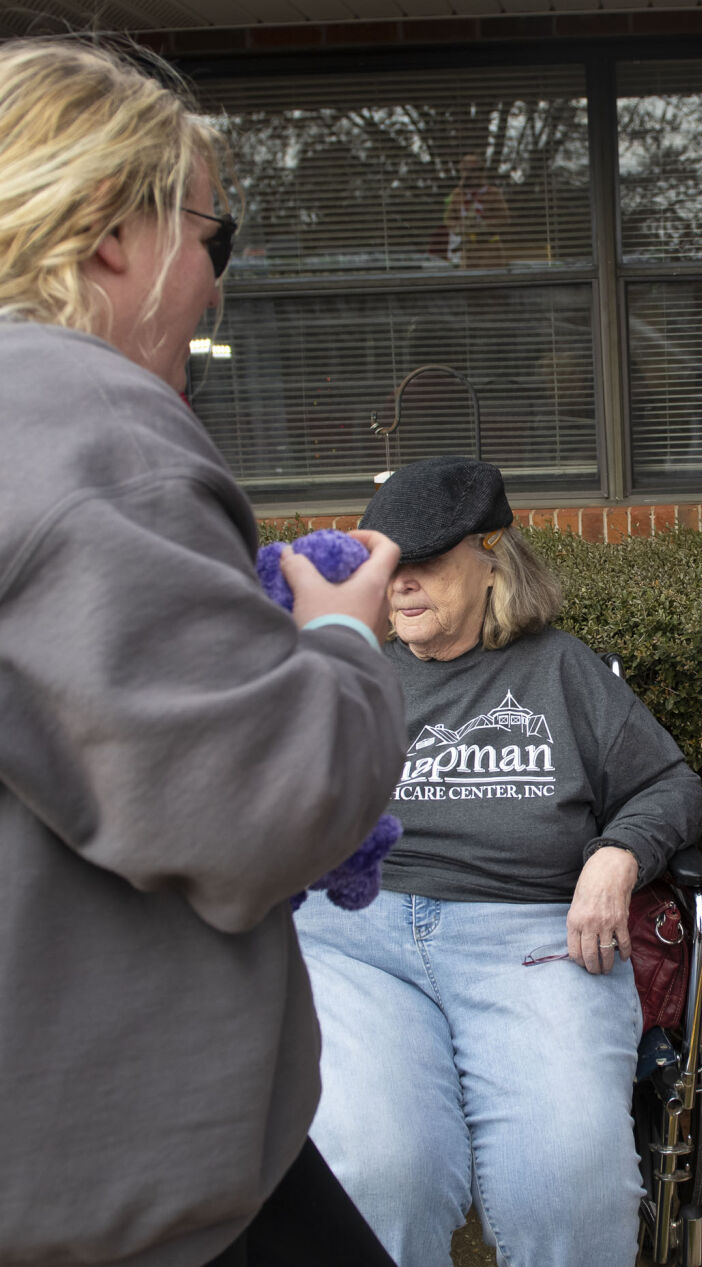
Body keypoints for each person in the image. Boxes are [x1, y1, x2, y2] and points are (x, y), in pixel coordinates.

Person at [0, 37, 408, 1267]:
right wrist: (340, 634)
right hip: (111, 1187)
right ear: (112, 231)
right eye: (212, 239)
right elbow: (276, 807)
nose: (217, 286)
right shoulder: (93, 427)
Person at [296, 455, 702, 1267]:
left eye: (425, 561)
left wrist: (618, 853)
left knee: (569, 1187)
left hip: (529, 940)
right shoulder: (350, 674)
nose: (402, 584)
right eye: (389, 564)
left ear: (492, 557)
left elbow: (669, 783)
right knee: (381, 1175)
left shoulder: (561, 670)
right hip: (357, 944)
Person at [443, 152, 511, 268]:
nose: (467, 175)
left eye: (472, 170)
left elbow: (504, 219)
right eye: (464, 170)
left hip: (490, 249)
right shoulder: (458, 194)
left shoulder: (492, 193)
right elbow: (449, 219)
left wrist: (483, 226)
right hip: (468, 250)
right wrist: (459, 227)